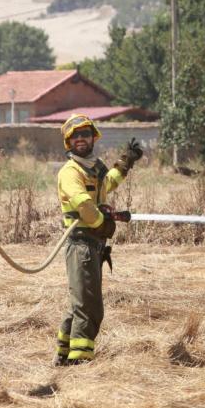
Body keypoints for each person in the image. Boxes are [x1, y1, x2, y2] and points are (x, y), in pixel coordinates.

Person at [54, 114, 143, 365]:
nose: (80, 139)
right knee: (90, 306)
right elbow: (83, 204)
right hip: (81, 242)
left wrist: (126, 162)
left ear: (94, 137)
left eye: (85, 134)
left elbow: (108, 183)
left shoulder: (95, 168)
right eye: (75, 136)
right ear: (68, 143)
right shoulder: (70, 172)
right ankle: (80, 360)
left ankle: (64, 353)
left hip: (93, 244)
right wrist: (103, 224)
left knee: (80, 301)